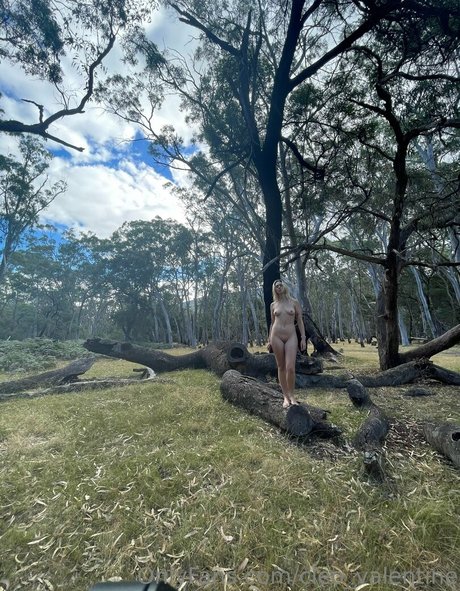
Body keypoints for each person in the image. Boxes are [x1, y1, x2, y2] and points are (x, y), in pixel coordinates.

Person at [268, 279, 306, 408]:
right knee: (281, 366)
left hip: (291, 336)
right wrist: (269, 339)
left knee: (290, 367)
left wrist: (303, 338)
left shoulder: (294, 302)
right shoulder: (273, 305)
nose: (278, 287)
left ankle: (292, 395)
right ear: (275, 290)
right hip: (276, 336)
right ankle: (285, 397)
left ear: (284, 286)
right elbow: (272, 323)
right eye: (276, 286)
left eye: (280, 285)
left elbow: (300, 321)